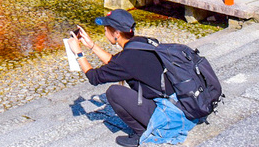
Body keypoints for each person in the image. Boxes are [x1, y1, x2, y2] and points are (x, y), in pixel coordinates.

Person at [67, 9, 195, 146]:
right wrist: (91, 45)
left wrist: (78, 53)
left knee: (114, 92)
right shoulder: (143, 42)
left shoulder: (127, 59)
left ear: (116, 33)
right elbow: (115, 61)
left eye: (106, 30)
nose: (104, 33)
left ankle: (141, 132)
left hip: (170, 115)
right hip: (184, 102)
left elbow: (94, 77)